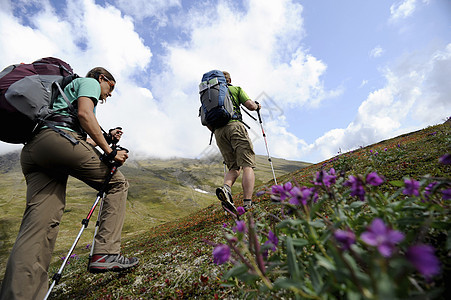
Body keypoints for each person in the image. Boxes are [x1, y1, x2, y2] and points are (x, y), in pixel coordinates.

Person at [0, 67, 138, 300]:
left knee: (38, 225)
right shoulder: (89, 82)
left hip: (34, 150)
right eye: (111, 87)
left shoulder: (64, 92)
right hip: (58, 138)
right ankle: (105, 253)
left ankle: (18, 295)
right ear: (102, 78)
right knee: (117, 184)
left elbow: (79, 132)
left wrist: (105, 137)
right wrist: (109, 151)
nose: (109, 94)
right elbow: (85, 116)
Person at [215, 71, 261, 212]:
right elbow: (251, 106)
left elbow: (205, 121)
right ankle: (247, 203)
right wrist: (258, 106)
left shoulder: (212, 96)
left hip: (218, 133)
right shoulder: (235, 89)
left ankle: (226, 189)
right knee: (247, 165)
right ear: (229, 80)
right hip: (235, 126)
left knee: (233, 168)